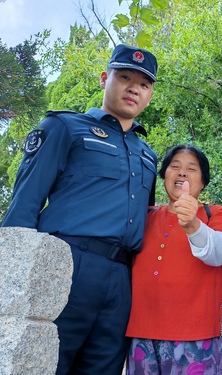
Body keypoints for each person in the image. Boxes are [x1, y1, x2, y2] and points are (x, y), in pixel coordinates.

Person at [2, 44, 159, 374]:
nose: (134, 88)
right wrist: (12, 284)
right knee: (41, 363)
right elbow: (24, 207)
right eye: (125, 77)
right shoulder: (64, 128)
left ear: (150, 95)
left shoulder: (148, 156)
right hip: (65, 264)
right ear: (105, 79)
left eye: (143, 84)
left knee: (103, 367)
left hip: (121, 278)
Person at [125, 145, 222, 375]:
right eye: (174, 166)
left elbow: (221, 252)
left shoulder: (215, 214)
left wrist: (193, 226)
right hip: (142, 335)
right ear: (164, 175)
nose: (182, 173)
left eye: (191, 169)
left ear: (203, 181)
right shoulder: (143, 216)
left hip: (198, 336)